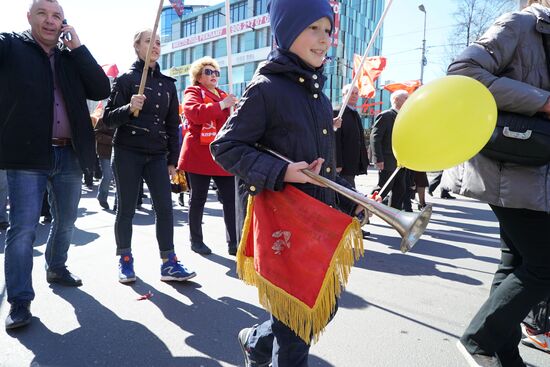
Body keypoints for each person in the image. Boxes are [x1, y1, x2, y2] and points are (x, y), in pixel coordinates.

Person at [211, 0, 358, 365]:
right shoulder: (266, 88)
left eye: (328, 30)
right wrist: (282, 172)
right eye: (313, 28)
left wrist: (348, 198)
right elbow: (226, 147)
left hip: (316, 218)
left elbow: (321, 167)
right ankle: (264, 346)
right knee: (296, 331)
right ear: (287, 31)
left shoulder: (321, 98)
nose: (324, 39)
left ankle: (255, 341)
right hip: (283, 222)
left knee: (322, 309)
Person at [442, 1, 550, 366]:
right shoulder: (522, 23)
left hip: (534, 173)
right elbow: (463, 72)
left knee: (515, 260)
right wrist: (543, 102)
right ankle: (480, 339)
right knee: (543, 264)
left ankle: (504, 352)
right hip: (509, 165)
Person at [0, 0, 110, 330]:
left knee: (66, 221)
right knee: (23, 230)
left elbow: (102, 88)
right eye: (42, 14)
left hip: (69, 153)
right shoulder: (10, 46)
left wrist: (78, 48)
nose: (50, 21)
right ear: (29, 18)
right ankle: (20, 300)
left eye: (57, 16)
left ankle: (56, 266)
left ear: (64, 23)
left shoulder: (71, 57)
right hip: (26, 155)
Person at [103, 29, 196, 284]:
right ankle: (125, 260)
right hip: (127, 152)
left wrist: (172, 161)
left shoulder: (167, 84)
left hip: (156, 155)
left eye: (157, 42)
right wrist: (128, 107)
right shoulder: (124, 80)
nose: (155, 46)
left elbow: (171, 124)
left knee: (165, 209)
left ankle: (169, 262)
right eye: (149, 41)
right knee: (126, 209)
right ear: (137, 46)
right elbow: (107, 120)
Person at [178, 56, 238, 256]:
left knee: (231, 200)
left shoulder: (223, 94)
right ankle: (196, 240)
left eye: (216, 72)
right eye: (208, 72)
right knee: (198, 199)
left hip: (221, 155)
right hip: (199, 154)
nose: (214, 75)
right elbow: (194, 114)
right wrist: (222, 105)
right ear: (198, 76)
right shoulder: (193, 91)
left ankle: (234, 242)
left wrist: (234, 109)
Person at [370, 90, 409, 210]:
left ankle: (393, 214)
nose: (409, 101)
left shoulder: (405, 117)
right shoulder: (386, 115)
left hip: (400, 161)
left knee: (400, 189)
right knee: (383, 188)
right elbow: (375, 137)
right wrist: (378, 158)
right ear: (396, 100)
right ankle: (365, 209)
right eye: (406, 99)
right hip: (387, 160)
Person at [334, 84, 369, 188]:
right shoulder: (338, 112)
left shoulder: (354, 112)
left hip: (352, 162)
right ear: (344, 95)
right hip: (343, 164)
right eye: (351, 93)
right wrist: (337, 163)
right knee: (347, 193)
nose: (354, 95)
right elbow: (335, 140)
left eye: (356, 93)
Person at [93, 110, 115, 210]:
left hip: (118, 153)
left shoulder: (124, 118)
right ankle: (102, 197)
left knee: (118, 179)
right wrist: (111, 140)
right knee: (108, 176)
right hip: (105, 153)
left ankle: (117, 203)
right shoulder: (103, 120)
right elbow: (96, 134)